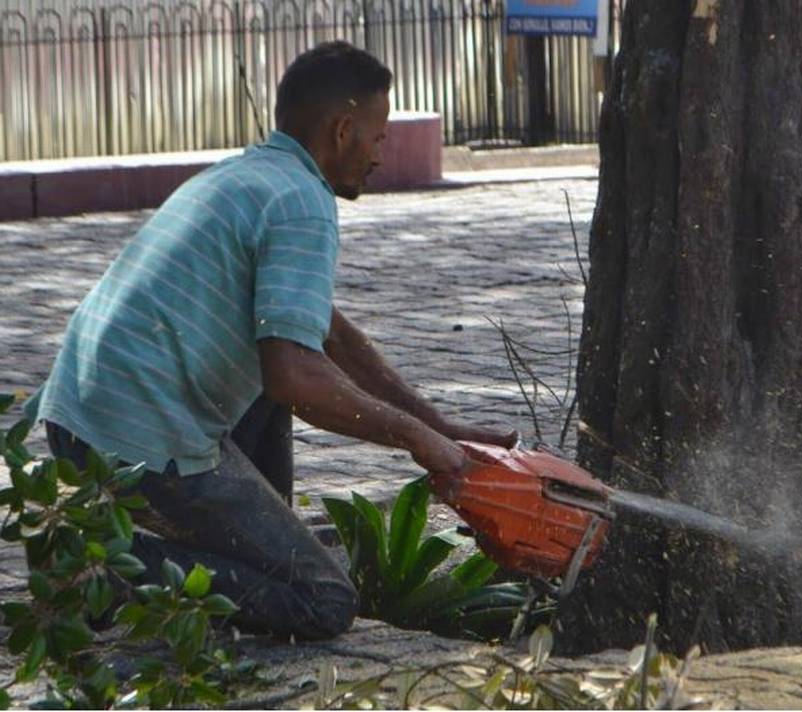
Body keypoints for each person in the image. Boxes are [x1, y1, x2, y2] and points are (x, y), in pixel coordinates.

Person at [22, 41, 516, 640]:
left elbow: (328, 334)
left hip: (79, 418)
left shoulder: (250, 174)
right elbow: (295, 378)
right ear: (341, 130)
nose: (381, 155)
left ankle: (237, 548)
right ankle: (98, 570)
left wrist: (437, 422)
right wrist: (415, 440)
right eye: (378, 137)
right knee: (323, 598)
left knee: (277, 362)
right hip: (135, 446)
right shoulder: (303, 203)